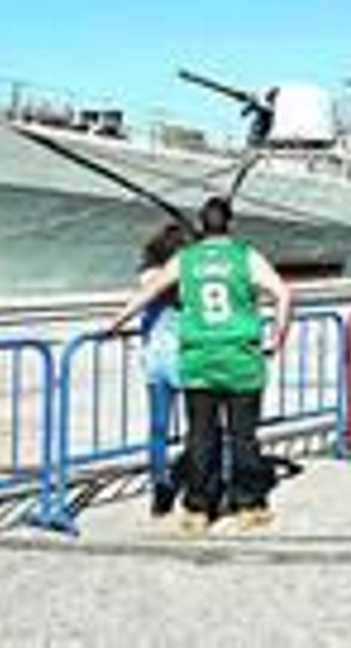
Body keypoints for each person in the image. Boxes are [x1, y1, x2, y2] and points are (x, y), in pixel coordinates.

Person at [107, 196, 292, 533]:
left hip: (198, 360)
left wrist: (116, 321)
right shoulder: (245, 256)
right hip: (240, 359)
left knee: (200, 437)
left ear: (202, 226)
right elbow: (283, 293)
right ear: (231, 225)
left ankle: (197, 508)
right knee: (243, 437)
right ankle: (248, 504)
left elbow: (149, 292)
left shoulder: (185, 259)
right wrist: (278, 337)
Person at [134, 222, 191, 517]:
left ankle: (160, 487)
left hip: (154, 360)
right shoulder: (183, 277)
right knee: (201, 426)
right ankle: (200, 482)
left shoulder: (148, 276)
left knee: (157, 428)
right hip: (185, 359)